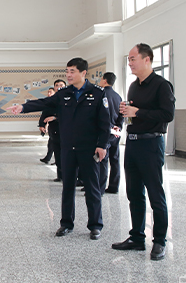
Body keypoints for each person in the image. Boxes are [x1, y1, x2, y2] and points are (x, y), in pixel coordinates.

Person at [7, 59, 109, 240]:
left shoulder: (97, 93)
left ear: (83, 73)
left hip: (88, 149)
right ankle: (66, 223)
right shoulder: (64, 94)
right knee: (67, 187)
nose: (68, 75)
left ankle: (95, 225)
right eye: (67, 71)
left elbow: (104, 123)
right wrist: (23, 107)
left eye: (72, 71)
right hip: (68, 148)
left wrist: (102, 145)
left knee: (92, 187)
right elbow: (44, 103)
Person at [112, 43, 175, 261]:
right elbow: (133, 114)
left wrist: (138, 112)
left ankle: (159, 241)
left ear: (147, 59)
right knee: (134, 193)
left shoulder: (161, 85)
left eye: (133, 59)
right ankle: (137, 237)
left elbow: (167, 114)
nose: (130, 63)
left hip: (151, 144)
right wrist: (126, 113)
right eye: (129, 59)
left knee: (155, 195)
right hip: (133, 144)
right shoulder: (133, 86)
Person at [97, 72, 123, 194]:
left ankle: (100, 188)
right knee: (115, 159)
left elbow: (101, 116)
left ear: (104, 80)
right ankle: (114, 186)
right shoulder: (118, 97)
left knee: (102, 160)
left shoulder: (101, 95)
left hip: (104, 132)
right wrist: (119, 127)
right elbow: (122, 114)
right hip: (115, 133)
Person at [39, 87, 57, 164]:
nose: (49, 94)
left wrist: (55, 118)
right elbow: (44, 114)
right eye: (48, 92)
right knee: (51, 143)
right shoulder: (48, 103)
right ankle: (48, 158)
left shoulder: (60, 102)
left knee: (57, 144)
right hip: (52, 127)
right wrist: (42, 125)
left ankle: (57, 160)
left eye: (51, 92)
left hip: (61, 126)